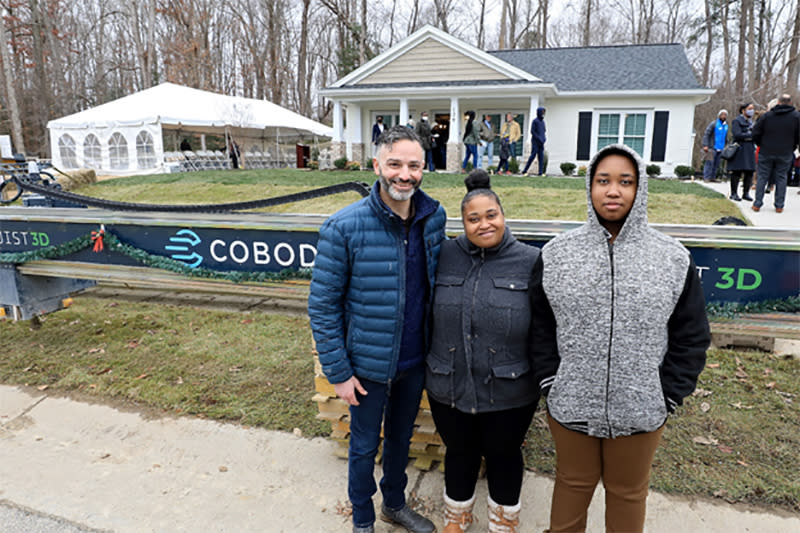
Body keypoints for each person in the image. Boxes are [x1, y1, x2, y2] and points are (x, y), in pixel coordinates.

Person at [530, 143, 710, 533]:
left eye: (625, 182)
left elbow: (691, 335)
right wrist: (551, 381)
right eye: (603, 181)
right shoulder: (558, 255)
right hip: (571, 405)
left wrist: (667, 394)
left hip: (641, 410)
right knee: (570, 492)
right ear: (589, 187)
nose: (614, 191)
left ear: (640, 188)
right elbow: (539, 327)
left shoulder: (672, 258)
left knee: (628, 497)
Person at [308, 125, 445, 533]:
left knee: (401, 440)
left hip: (413, 360)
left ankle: (395, 505)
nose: (405, 174)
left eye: (414, 165)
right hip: (365, 366)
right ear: (377, 165)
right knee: (364, 447)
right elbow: (323, 305)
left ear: (424, 168)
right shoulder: (343, 227)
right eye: (395, 164)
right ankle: (363, 519)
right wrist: (339, 373)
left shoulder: (433, 218)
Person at [426, 169, 540, 533]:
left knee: (504, 455)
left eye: (491, 215)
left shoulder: (530, 261)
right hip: (448, 383)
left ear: (503, 215)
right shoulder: (443, 255)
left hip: (511, 388)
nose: (484, 224)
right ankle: (456, 518)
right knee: (459, 453)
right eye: (473, 219)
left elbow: (544, 327)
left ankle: (503, 523)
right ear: (463, 223)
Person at [752, 94, 800, 213]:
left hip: (766, 150)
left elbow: (755, 132)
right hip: (785, 151)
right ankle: (779, 205)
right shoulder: (796, 117)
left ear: (778, 102)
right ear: (790, 103)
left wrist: (760, 144)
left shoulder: (767, 116)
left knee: (762, 177)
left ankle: (757, 203)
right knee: (781, 178)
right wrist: (793, 147)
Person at [727, 102, 756, 201]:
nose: (751, 110)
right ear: (743, 110)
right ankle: (734, 193)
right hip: (740, 148)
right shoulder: (737, 121)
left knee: (749, 172)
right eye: (749, 108)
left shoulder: (752, 122)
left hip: (750, 148)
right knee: (736, 172)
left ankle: (746, 193)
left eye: (752, 108)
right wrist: (750, 135)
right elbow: (737, 134)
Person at [701, 109, 728, 182]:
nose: (724, 116)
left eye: (725, 115)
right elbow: (707, 134)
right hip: (712, 147)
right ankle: (706, 177)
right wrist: (705, 145)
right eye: (722, 114)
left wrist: (727, 145)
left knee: (717, 164)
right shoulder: (714, 124)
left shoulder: (726, 126)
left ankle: (713, 177)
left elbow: (725, 137)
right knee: (709, 162)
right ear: (719, 115)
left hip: (720, 147)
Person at [522, 107, 547, 176]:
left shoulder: (543, 122)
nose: (543, 114)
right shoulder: (535, 121)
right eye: (542, 112)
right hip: (535, 141)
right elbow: (532, 131)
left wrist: (544, 139)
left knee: (541, 157)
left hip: (541, 142)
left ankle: (540, 172)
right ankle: (525, 170)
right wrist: (539, 138)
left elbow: (544, 131)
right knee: (533, 156)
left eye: (544, 112)